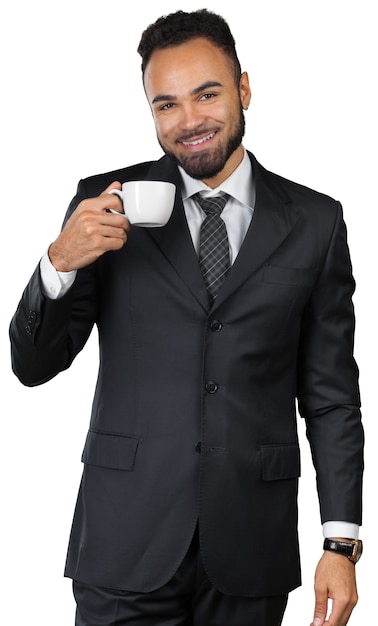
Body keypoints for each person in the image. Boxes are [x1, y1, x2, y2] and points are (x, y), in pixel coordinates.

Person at [9, 9, 364, 626]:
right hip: (125, 542)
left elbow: (332, 397)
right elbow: (31, 366)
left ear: (245, 89)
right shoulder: (106, 205)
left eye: (207, 94)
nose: (189, 120)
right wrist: (58, 262)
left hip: (252, 545)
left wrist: (341, 542)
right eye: (165, 104)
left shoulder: (316, 222)